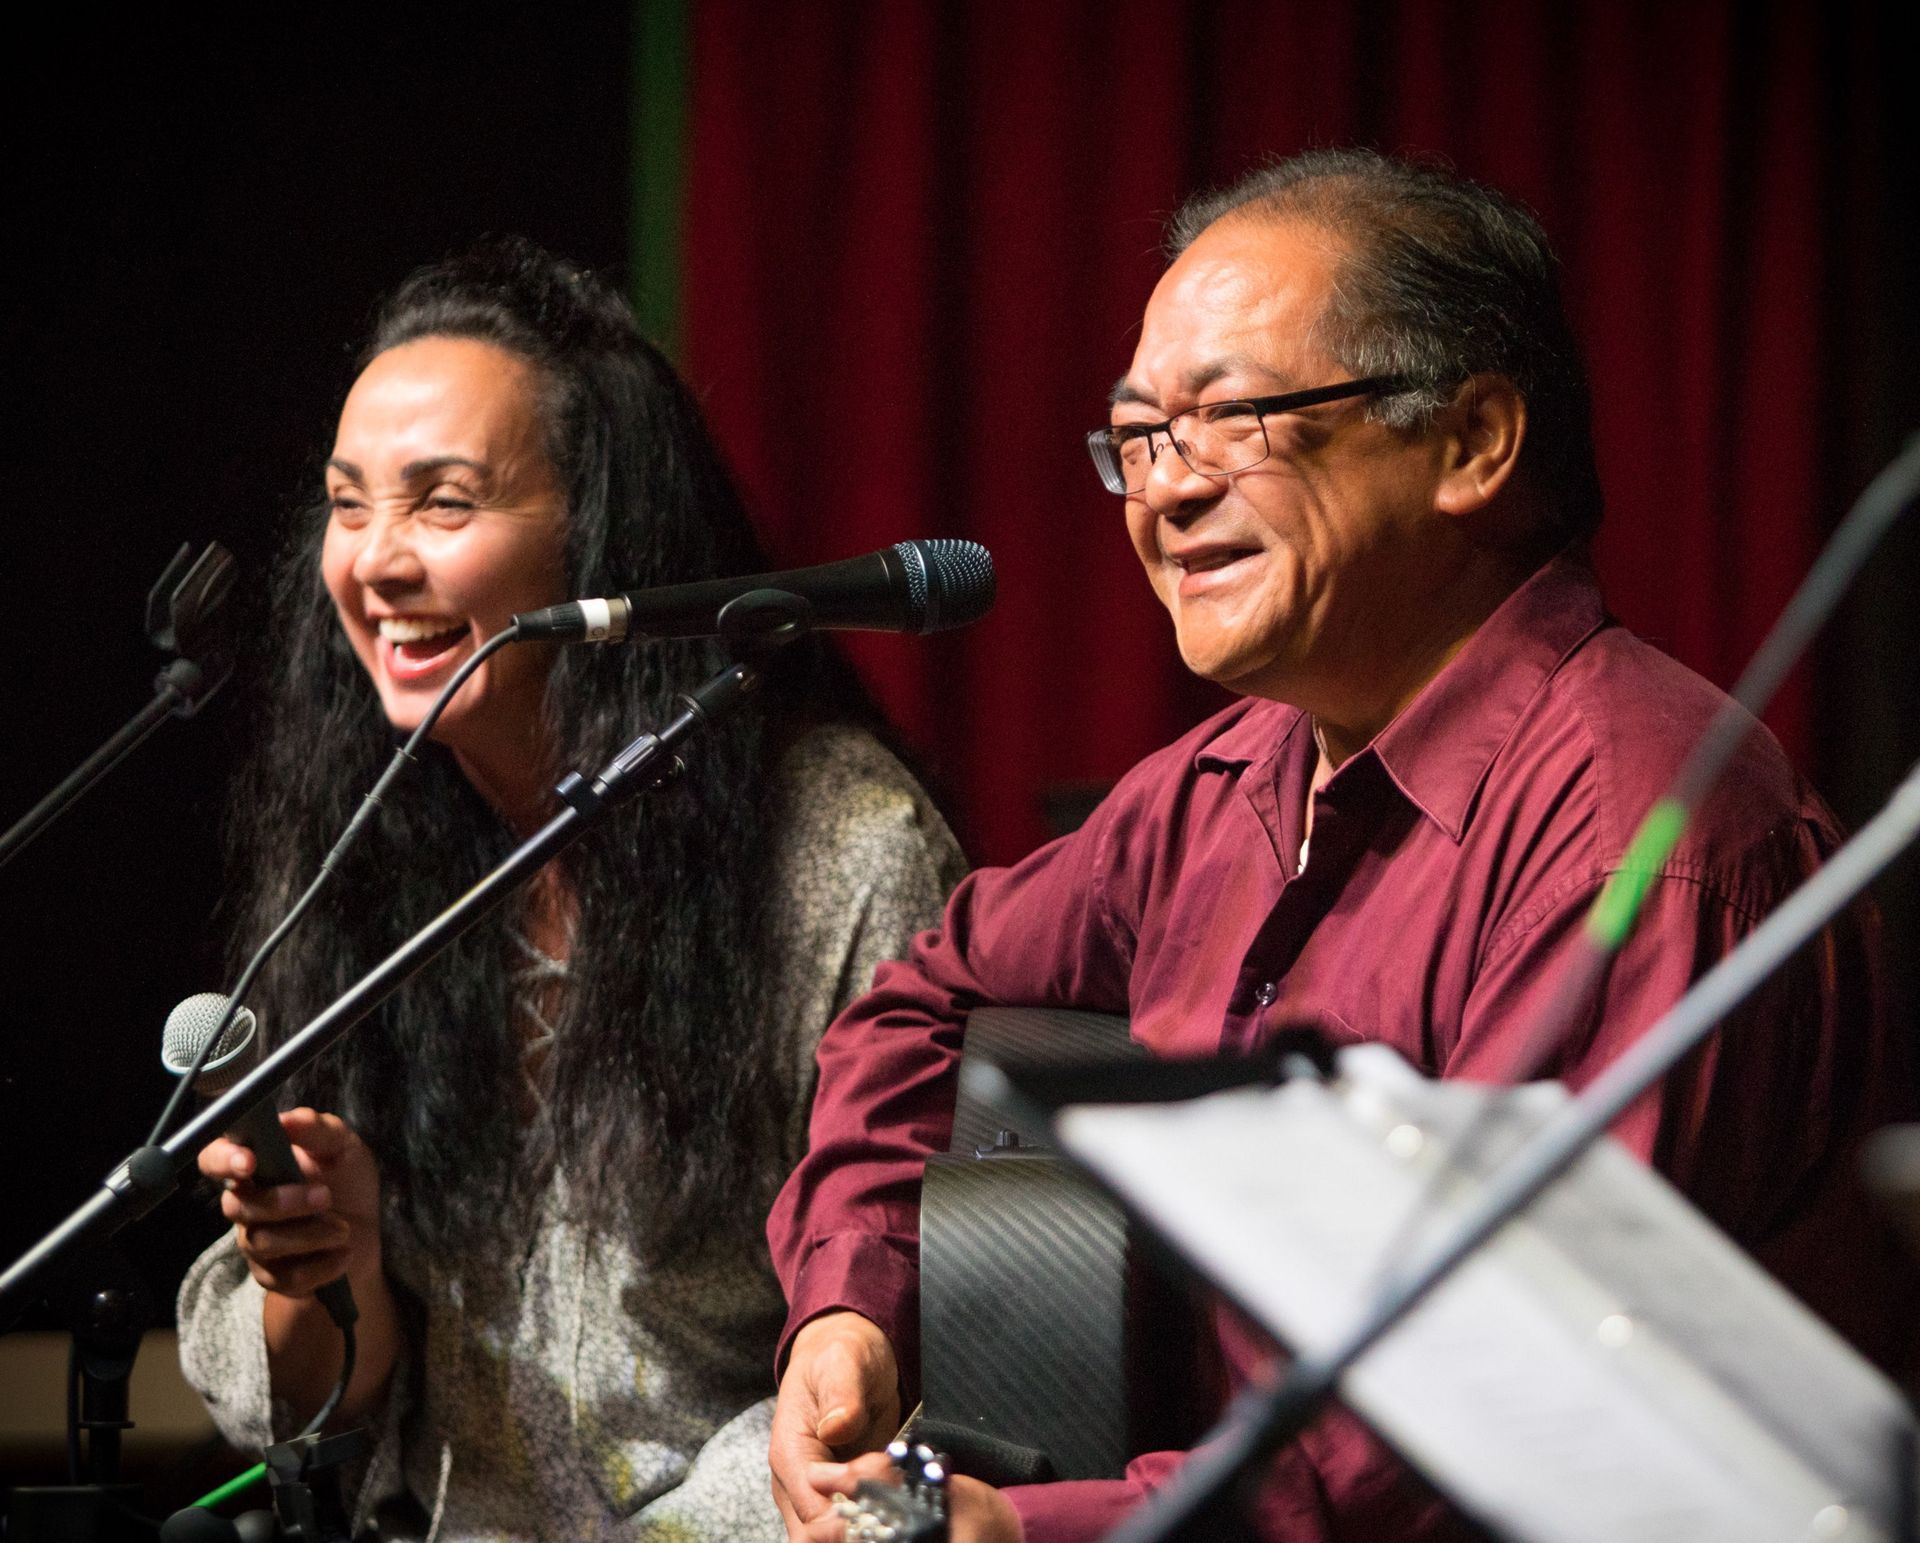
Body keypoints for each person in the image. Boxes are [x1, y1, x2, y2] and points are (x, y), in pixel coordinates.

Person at [766, 150, 1905, 1542]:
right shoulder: (1223, 783)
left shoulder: (1636, 838)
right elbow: (924, 996)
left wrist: (1027, 1532)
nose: (1163, 492)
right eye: (1137, 436)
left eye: (1231, 418)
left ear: (1474, 443)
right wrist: (850, 1306)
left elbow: (1484, 1426)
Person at [175, 238, 966, 1541]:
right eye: (349, 502)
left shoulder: (839, 849)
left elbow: (918, 1353)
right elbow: (311, 1411)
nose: (373, 564)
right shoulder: (370, 844)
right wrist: (331, 1271)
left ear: (601, 540)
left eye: (444, 503)